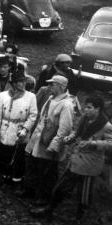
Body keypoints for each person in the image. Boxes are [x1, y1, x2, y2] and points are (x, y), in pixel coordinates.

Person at [31, 95, 112, 219]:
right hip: (76, 161)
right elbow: (77, 132)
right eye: (85, 107)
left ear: (98, 109)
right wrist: (70, 138)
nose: (85, 110)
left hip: (90, 165)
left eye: (89, 108)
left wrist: (93, 143)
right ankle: (49, 210)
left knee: (84, 193)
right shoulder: (84, 119)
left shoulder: (106, 126)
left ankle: (79, 218)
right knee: (60, 187)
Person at [25, 75, 74, 206]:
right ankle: (32, 191)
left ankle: (45, 197)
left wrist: (54, 146)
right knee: (35, 165)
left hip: (49, 144)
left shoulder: (66, 105)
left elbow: (65, 129)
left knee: (48, 172)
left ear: (60, 87)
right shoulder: (51, 99)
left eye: (52, 84)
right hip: (39, 140)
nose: (49, 87)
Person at [0, 70, 38, 186]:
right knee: (4, 153)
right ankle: (4, 175)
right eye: (18, 82)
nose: (22, 85)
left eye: (23, 82)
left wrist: (25, 129)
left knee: (18, 155)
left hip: (20, 129)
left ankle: (16, 178)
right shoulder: (3, 95)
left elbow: (33, 115)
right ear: (13, 83)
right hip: (5, 128)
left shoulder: (31, 97)